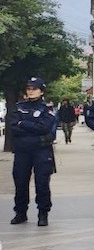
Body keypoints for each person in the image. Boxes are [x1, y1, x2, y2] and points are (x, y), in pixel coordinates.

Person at [8, 77, 56, 227]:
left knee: (42, 183)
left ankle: (43, 213)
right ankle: (20, 212)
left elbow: (44, 127)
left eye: (34, 89)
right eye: (28, 89)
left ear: (41, 91)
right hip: (22, 151)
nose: (30, 91)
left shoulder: (46, 108)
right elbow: (13, 126)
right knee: (20, 182)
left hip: (41, 150)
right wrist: (31, 126)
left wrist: (23, 124)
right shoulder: (19, 106)